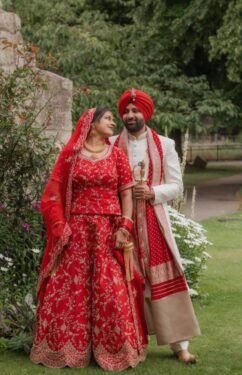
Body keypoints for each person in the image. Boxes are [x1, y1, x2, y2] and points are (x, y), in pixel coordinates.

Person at [30, 107, 148, 371]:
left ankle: (117, 349)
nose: (112, 122)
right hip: (77, 231)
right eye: (107, 119)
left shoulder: (118, 156)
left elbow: (127, 195)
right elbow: (53, 194)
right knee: (70, 288)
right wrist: (61, 226)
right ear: (91, 124)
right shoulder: (71, 156)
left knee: (111, 288)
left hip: (108, 230)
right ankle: (65, 350)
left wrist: (125, 226)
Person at [110, 89, 201, 364]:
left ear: (146, 114)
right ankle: (132, 342)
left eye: (136, 111)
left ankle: (180, 346)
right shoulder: (111, 143)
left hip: (153, 220)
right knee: (125, 279)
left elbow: (177, 186)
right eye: (126, 111)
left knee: (165, 276)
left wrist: (152, 192)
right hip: (120, 221)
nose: (130, 115)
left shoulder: (165, 144)